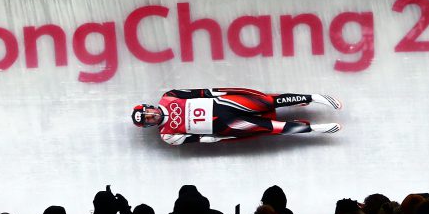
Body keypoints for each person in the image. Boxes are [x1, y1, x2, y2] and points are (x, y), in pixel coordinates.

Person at [131, 88, 342, 145]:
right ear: (149, 125)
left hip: (224, 104)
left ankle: (314, 98)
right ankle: (315, 129)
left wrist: (223, 93)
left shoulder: (169, 96)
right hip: (227, 124)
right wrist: (221, 137)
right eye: (148, 119)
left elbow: (201, 92)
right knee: (272, 127)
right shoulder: (167, 135)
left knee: (268, 101)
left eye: (148, 113)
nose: (151, 116)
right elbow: (198, 139)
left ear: (150, 107)